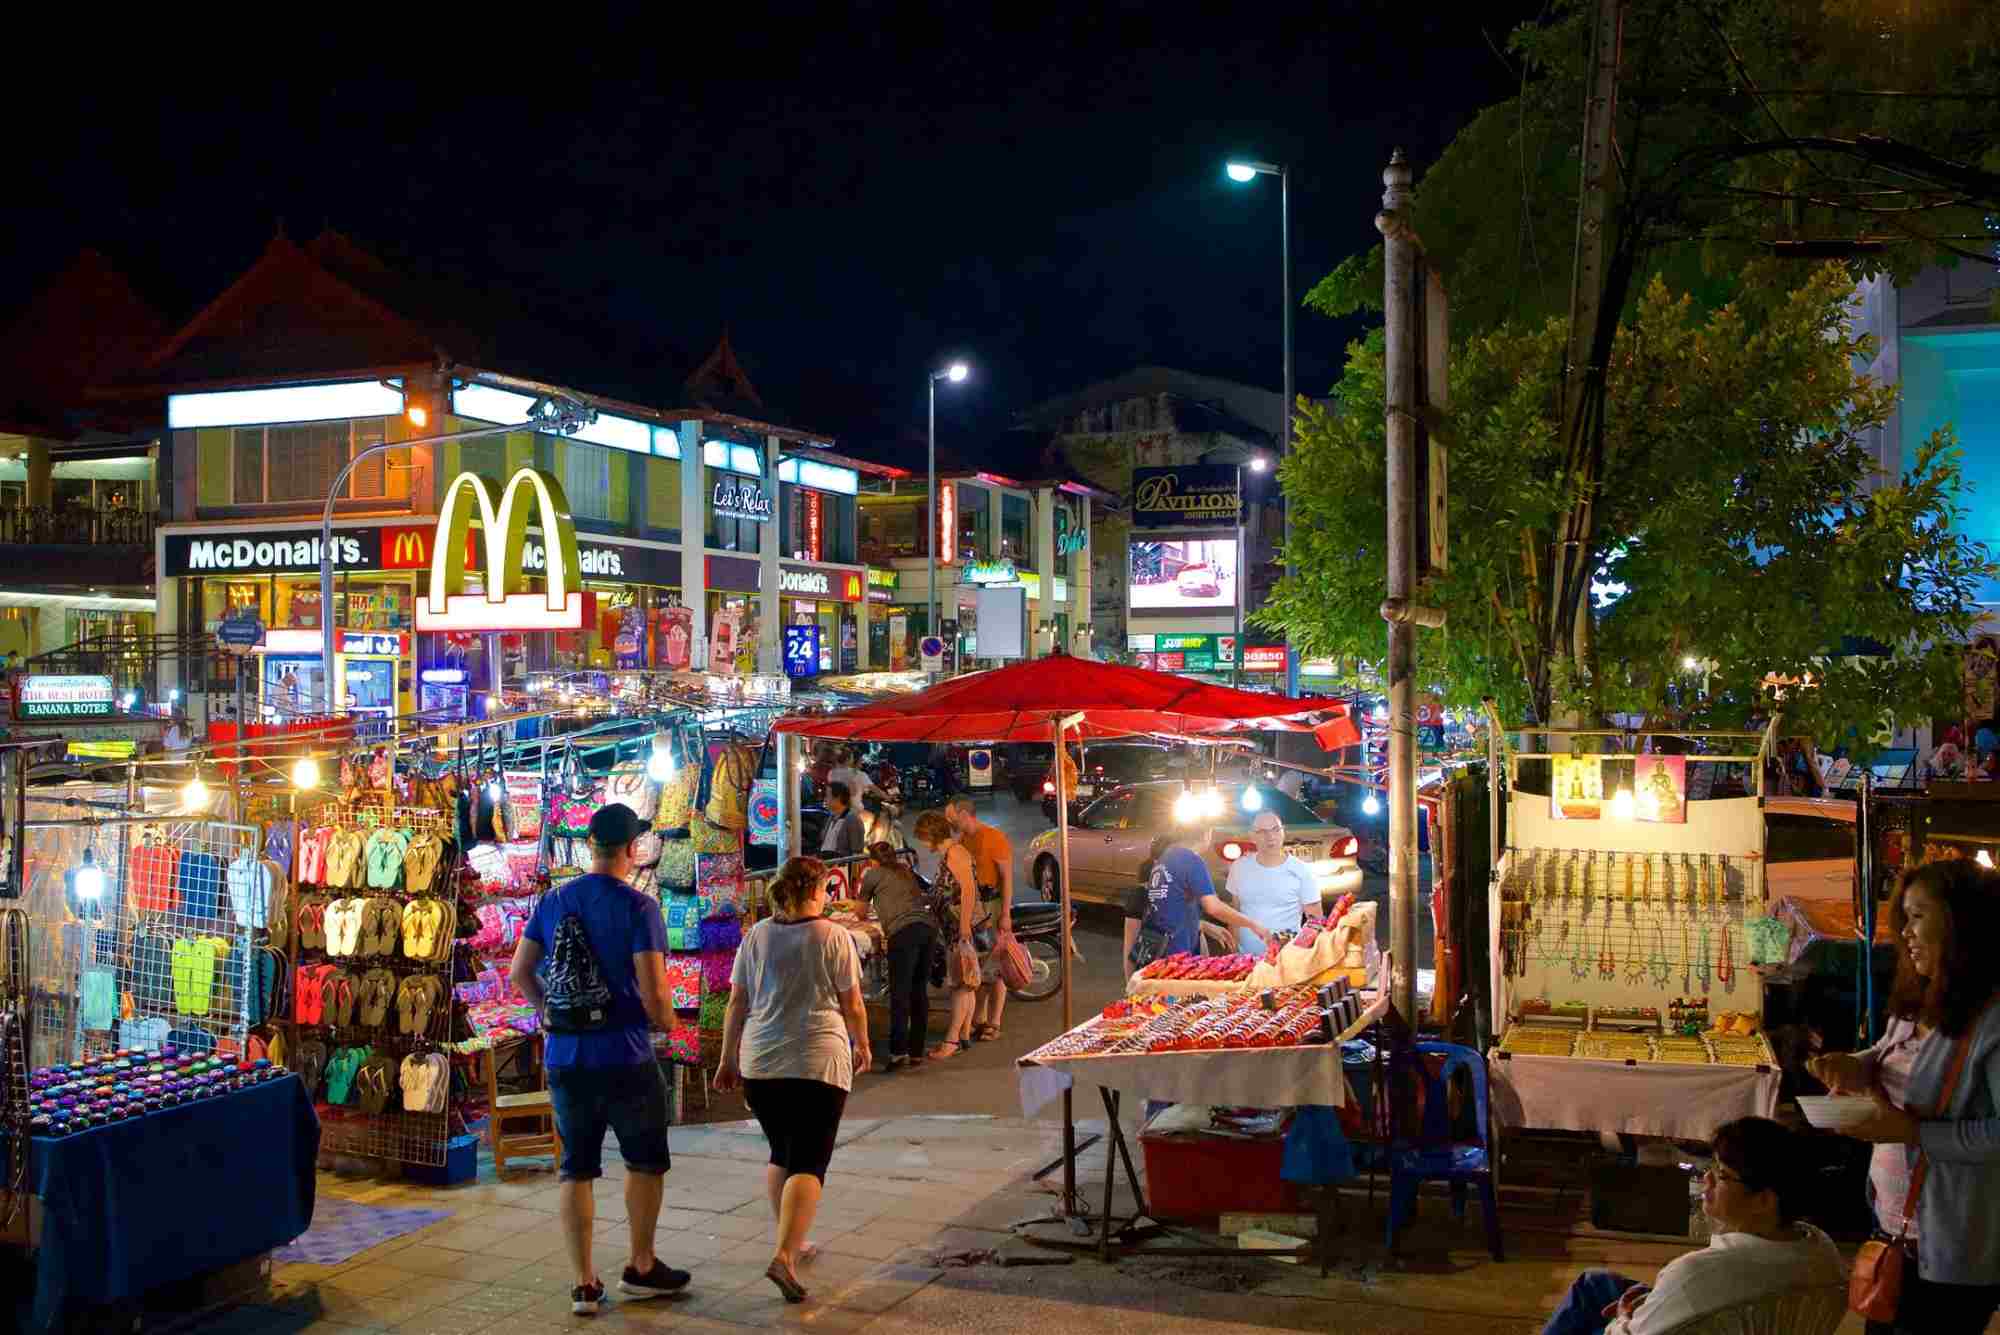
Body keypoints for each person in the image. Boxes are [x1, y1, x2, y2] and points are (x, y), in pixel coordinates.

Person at [1806, 857, 2000, 1334]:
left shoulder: (1993, 1020)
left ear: (1962, 923)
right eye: (1904, 919)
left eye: (1918, 917)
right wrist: (1859, 1063)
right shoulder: (1922, 1000)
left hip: (1953, 1249)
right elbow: (1893, 1054)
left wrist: (1913, 1132)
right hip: (1892, 1226)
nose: (1905, 933)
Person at [509, 804, 689, 1316]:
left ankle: (584, 1284)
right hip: (625, 1054)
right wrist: (669, 1023)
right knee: (646, 1160)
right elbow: (655, 991)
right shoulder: (639, 908)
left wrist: (551, 1012)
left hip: (567, 1057)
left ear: (589, 844)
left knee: (576, 1168)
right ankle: (641, 1264)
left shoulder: (554, 900)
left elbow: (522, 972)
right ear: (633, 850)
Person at [715, 857, 870, 1304]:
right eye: (825, 889)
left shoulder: (757, 935)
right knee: (809, 1161)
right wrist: (863, 1044)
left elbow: (736, 1004)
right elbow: (853, 1004)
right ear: (816, 890)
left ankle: (794, 1239)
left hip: (760, 1065)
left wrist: (728, 1059)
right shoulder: (833, 937)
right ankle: (785, 1255)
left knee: (781, 1151)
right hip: (815, 1063)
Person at [1540, 1116, 1843, 1335]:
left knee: (1588, 1303)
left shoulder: (1696, 1273)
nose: (1707, 1179)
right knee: (1593, 1285)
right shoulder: (1824, 1252)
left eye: (1722, 1174)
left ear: (1764, 1199)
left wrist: (1623, 1318)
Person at [1135, 832, 1271, 964]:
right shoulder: (1190, 859)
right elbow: (1213, 907)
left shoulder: (1166, 857)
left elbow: (1171, 908)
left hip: (1159, 951)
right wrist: (1253, 924)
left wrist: (1204, 926)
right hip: (1177, 954)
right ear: (1207, 833)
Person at [912, 809, 982, 1059]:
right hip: (954, 927)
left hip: (958, 928)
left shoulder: (955, 854)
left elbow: (968, 891)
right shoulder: (952, 853)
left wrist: (963, 927)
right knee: (967, 982)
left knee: (960, 985)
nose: (921, 843)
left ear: (930, 835)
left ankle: (951, 1041)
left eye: (921, 837)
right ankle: (963, 1035)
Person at [858, 842, 934, 1070]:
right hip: (926, 930)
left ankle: (897, 1053)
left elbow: (860, 912)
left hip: (903, 933)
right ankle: (916, 1052)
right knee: (918, 991)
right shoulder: (904, 869)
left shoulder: (872, 875)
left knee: (899, 994)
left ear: (873, 860)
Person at [947, 796, 1013, 1041]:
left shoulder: (994, 838)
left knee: (995, 966)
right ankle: (980, 1019)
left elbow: (1006, 879)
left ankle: (994, 1021)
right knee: (979, 965)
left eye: (951, 816)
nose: (949, 821)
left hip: (992, 906)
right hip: (975, 910)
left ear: (964, 814)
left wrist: (1005, 914)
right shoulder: (963, 839)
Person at [1224, 811, 1319, 954]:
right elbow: (1234, 915)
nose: (1270, 837)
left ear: (1283, 832)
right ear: (1252, 836)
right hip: (1246, 960)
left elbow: (1315, 921)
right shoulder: (1239, 867)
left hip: (1287, 960)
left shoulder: (1302, 870)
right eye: (1262, 832)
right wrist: (1236, 953)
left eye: (1276, 830)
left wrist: (1296, 954)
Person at [818, 782, 865, 858]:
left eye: (827, 796)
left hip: (841, 866)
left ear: (838, 798)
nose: (825, 799)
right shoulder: (830, 818)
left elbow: (857, 852)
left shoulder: (853, 819)